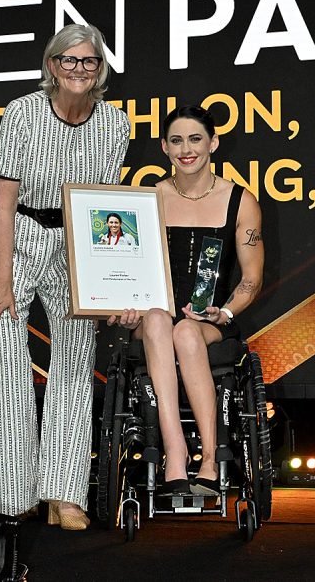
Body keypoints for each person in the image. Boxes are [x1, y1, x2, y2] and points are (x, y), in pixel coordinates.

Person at [0, 23, 130, 529]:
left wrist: (108, 284)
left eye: (89, 61)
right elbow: (3, 201)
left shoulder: (115, 123)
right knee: (6, 357)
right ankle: (16, 494)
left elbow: (106, 209)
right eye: (69, 60)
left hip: (74, 240)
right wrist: (1, 281)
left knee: (76, 354)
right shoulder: (22, 112)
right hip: (14, 232)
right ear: (52, 66)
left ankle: (64, 493)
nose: (79, 69)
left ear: (100, 68)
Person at [111, 105, 264, 495]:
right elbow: (124, 266)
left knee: (185, 331)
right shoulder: (148, 199)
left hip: (210, 321)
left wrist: (226, 310)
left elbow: (251, 279)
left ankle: (212, 456)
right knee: (164, 322)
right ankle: (175, 450)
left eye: (195, 138)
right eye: (176, 140)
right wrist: (123, 307)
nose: (186, 149)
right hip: (154, 316)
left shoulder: (240, 201)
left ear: (212, 142)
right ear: (164, 147)